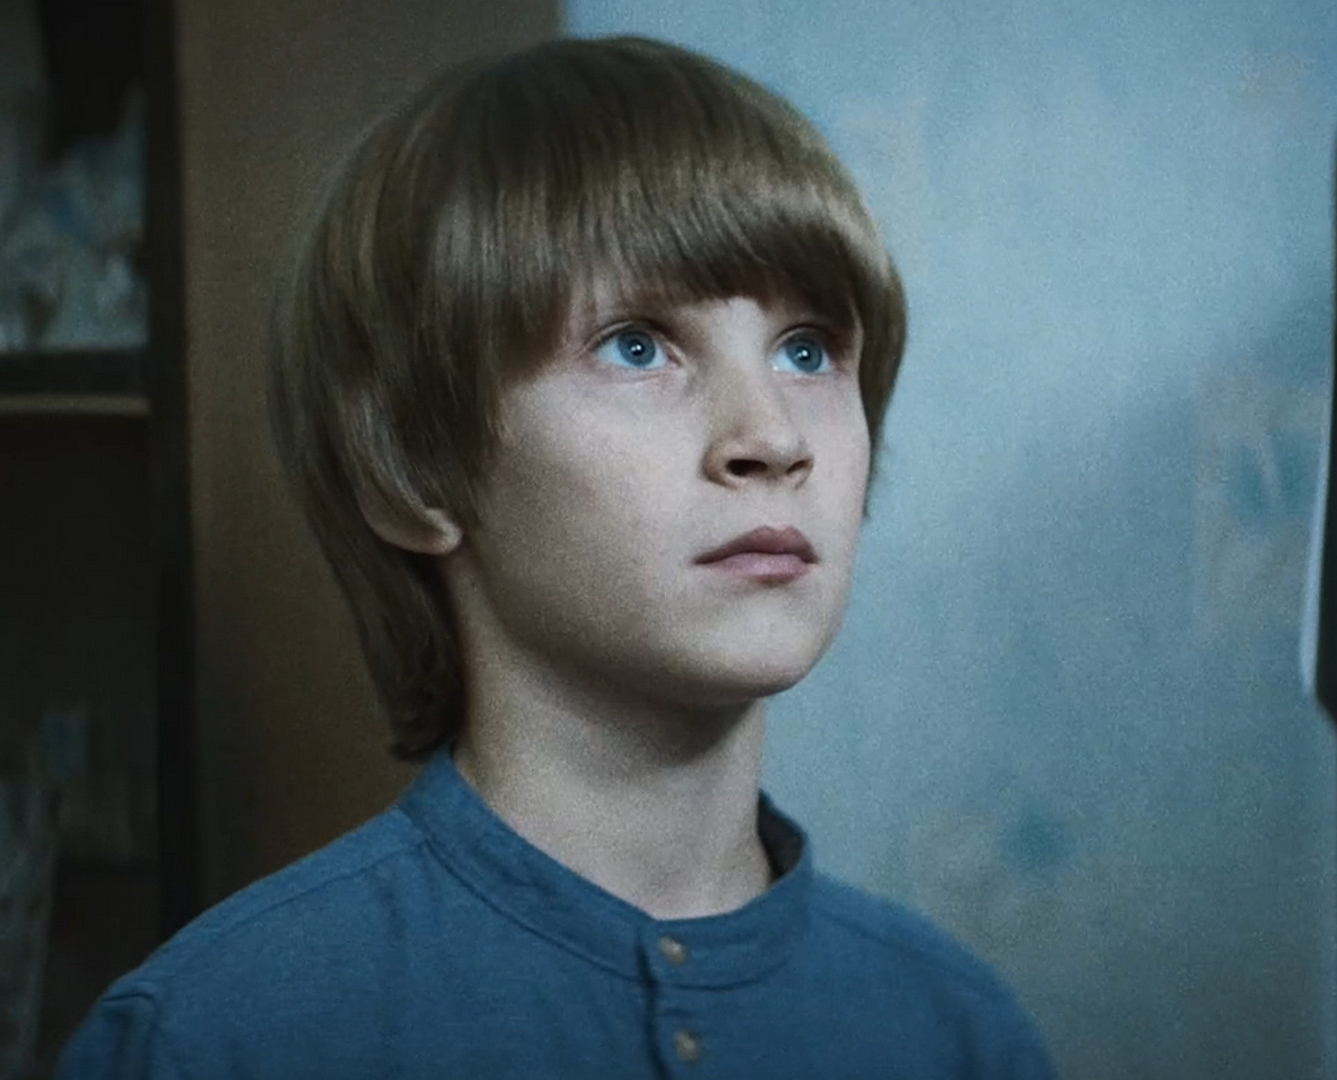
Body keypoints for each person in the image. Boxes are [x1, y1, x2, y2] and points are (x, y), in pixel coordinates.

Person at [55, 34, 1055, 1079]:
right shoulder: (217, 1040)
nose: (773, 437)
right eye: (636, 344)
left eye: (807, 351)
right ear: (412, 470)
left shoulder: (960, 1034)